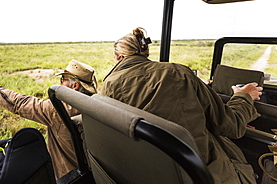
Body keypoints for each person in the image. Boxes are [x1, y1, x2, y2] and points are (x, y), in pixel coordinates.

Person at [101, 27, 263, 184]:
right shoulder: (178, 73)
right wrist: (244, 96)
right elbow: (232, 126)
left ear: (119, 57)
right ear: (146, 53)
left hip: (146, 173)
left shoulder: (107, 87)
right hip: (202, 174)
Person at [0, 60, 97, 180]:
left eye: (62, 80)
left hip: (69, 176)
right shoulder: (95, 105)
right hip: (92, 174)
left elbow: (20, 104)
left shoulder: (59, 110)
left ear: (74, 85)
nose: (60, 84)